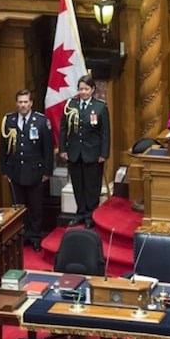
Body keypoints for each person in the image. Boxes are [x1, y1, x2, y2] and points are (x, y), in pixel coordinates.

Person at [0, 89, 53, 251]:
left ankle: (35, 237)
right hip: (15, 171)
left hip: (35, 172)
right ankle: (22, 236)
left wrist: (47, 172)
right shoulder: (8, 121)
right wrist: (4, 170)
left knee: (36, 207)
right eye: (20, 102)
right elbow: (3, 148)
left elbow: (48, 149)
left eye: (25, 102)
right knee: (19, 207)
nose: (23, 105)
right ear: (16, 103)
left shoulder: (41, 121)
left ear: (31, 103)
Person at [59, 75, 110, 229]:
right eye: (81, 89)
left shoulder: (100, 107)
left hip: (93, 154)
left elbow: (105, 133)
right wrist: (63, 149)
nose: (83, 92)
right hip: (74, 152)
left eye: (86, 89)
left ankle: (90, 215)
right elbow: (63, 129)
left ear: (92, 89)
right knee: (78, 185)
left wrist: (104, 153)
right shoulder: (71, 105)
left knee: (91, 186)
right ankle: (80, 213)